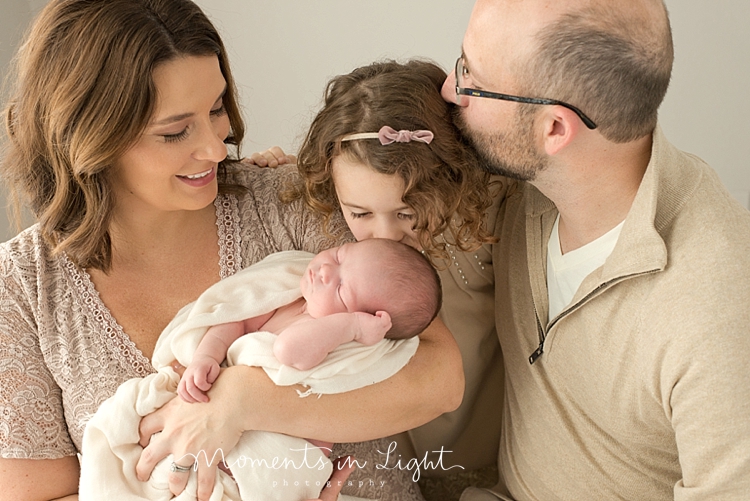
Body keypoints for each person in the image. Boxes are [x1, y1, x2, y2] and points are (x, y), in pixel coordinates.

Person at [0, 1, 464, 500]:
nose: (217, 149)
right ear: (88, 136)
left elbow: (440, 378)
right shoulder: (23, 290)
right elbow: (37, 494)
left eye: (217, 109)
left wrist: (242, 402)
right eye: (176, 131)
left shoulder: (289, 201)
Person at [438, 0, 750, 500]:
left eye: (471, 74)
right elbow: (385, 155)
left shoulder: (718, 309)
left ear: (554, 129)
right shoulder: (520, 182)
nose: (450, 90)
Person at [249, 59, 506, 499]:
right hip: (390, 458)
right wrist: (267, 174)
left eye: (408, 213)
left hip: (483, 459)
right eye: (361, 213)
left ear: (450, 181)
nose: (385, 235)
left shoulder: (484, 226)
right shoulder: (335, 240)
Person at [178, 238, 441, 402]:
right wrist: (206, 357)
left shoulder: (331, 336)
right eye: (340, 255)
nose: (325, 270)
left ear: (365, 319)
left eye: (341, 290)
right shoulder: (287, 296)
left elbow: (287, 350)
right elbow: (236, 320)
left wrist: (353, 327)